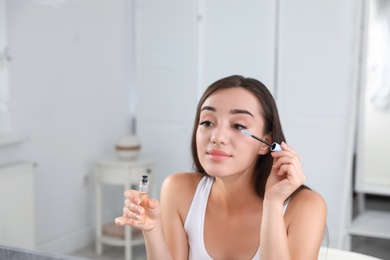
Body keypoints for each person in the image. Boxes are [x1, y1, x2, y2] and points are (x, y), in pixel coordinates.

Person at [115, 75, 327, 259]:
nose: (217, 137)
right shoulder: (178, 190)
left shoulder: (306, 207)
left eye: (238, 126)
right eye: (207, 122)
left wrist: (273, 204)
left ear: (266, 142)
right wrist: (152, 230)